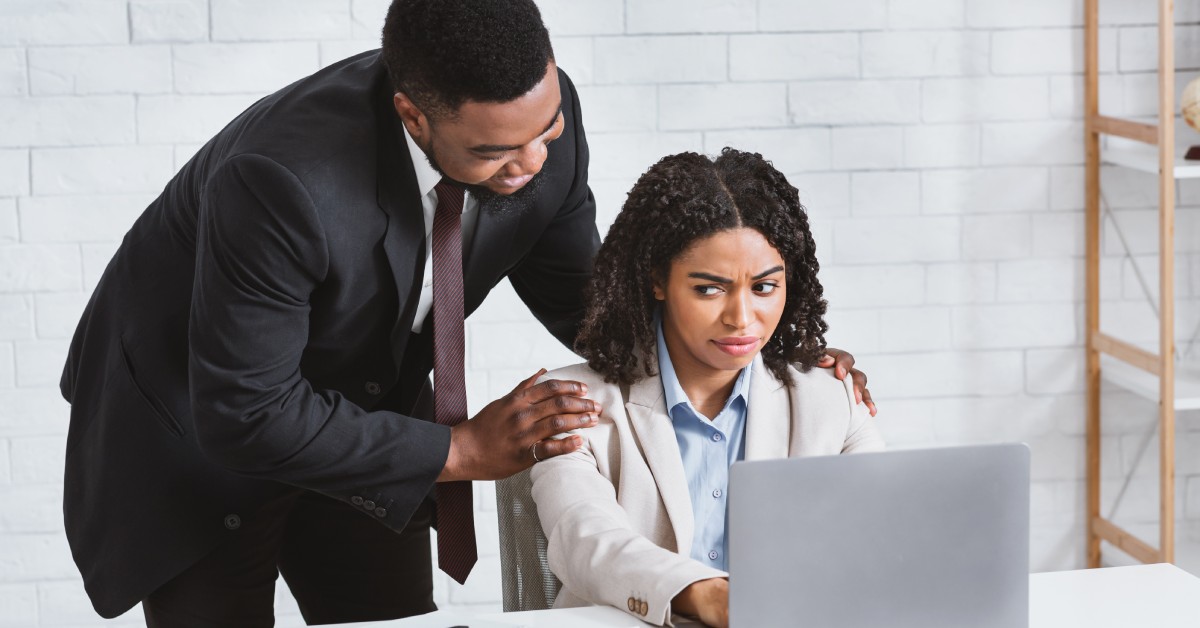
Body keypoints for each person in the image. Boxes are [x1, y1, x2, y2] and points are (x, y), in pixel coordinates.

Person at [58, 0, 872, 625]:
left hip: (368, 413)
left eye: (545, 130)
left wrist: (758, 355)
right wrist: (460, 448)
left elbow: (584, 299)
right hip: (204, 437)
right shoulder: (282, 181)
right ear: (413, 114)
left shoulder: (538, 121)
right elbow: (246, 409)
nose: (531, 163)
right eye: (493, 152)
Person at [529, 149, 885, 628]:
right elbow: (584, 540)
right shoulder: (573, 403)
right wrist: (705, 595)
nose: (742, 319)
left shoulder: (830, 398)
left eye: (763, 288)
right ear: (658, 280)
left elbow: (880, 535)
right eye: (709, 289)